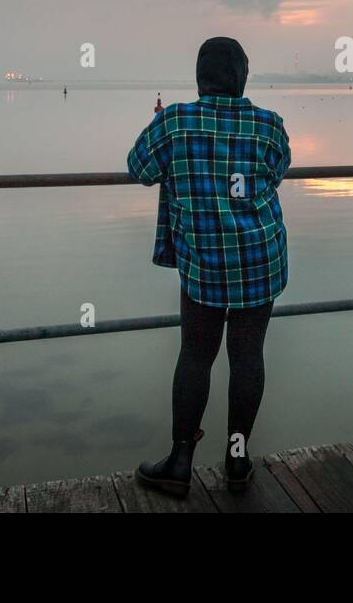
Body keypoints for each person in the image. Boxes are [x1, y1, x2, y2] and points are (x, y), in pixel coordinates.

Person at [129, 37, 291, 495]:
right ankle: (237, 462)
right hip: (260, 259)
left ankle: (180, 462)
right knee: (247, 358)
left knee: (196, 356)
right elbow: (276, 173)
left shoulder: (175, 122)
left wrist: (163, 133)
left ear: (200, 78)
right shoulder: (269, 125)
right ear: (242, 78)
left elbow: (137, 169)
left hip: (203, 262)